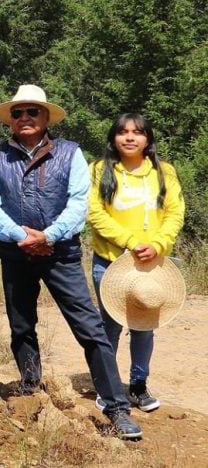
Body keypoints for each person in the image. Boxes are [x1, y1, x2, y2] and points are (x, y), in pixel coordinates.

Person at [0, 85, 141, 440]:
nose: (24, 118)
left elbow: (78, 203)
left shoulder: (70, 154)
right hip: (15, 254)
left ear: (45, 117)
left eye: (31, 112)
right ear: (11, 120)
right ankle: (30, 392)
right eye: (18, 113)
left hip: (61, 254)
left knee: (90, 330)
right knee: (21, 325)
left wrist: (48, 236)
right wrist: (22, 236)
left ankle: (117, 408)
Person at [87, 113, 185, 413]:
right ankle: (109, 386)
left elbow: (174, 213)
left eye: (138, 132)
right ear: (113, 137)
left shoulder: (164, 172)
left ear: (148, 139)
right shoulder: (99, 170)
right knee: (110, 326)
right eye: (123, 132)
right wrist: (130, 241)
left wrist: (156, 245)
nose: (130, 138)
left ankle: (139, 385)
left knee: (144, 327)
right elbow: (94, 213)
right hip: (111, 262)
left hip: (150, 265)